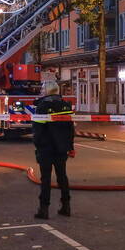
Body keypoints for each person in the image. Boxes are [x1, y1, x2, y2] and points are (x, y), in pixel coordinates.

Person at [32, 80, 75, 219]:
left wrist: (37, 144)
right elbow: (70, 128)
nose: (41, 91)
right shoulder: (65, 105)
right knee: (62, 177)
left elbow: (37, 130)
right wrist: (70, 146)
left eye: (42, 89)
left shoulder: (42, 106)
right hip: (61, 147)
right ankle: (66, 206)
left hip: (46, 148)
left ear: (47, 90)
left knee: (45, 179)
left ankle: (43, 210)